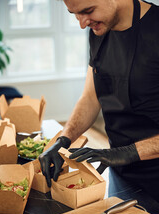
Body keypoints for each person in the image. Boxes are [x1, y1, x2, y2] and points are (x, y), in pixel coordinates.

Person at [39, 0, 159, 203]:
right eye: (74, 14)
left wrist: (129, 152)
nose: (82, 24)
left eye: (87, 11)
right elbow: (90, 97)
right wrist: (63, 141)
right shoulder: (99, 29)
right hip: (121, 171)